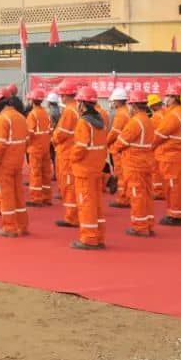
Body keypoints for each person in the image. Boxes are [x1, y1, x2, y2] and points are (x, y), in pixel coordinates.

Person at [112, 90, 156, 237]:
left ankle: (140, 226)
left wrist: (113, 149)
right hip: (145, 163)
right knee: (146, 194)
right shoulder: (148, 120)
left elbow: (121, 142)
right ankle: (148, 223)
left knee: (136, 195)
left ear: (134, 106)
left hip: (134, 164)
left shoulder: (135, 122)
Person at [70, 86, 109, 249]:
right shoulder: (100, 121)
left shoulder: (83, 122)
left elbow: (81, 147)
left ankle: (89, 238)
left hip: (84, 170)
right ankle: (98, 236)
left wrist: (71, 158)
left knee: (85, 204)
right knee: (96, 204)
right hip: (96, 169)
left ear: (82, 104)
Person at [151, 83, 181, 226]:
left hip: (171, 156)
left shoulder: (174, 115)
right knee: (178, 186)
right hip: (178, 155)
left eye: (168, 95)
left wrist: (150, 147)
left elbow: (160, 135)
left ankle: (174, 215)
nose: (165, 98)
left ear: (175, 98)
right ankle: (177, 212)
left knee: (173, 186)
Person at [0, 92, 30, 237]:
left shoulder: (2, 119)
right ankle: (22, 225)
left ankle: (9, 227)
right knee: (18, 194)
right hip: (17, 162)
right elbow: (26, 139)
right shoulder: (21, 117)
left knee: (5, 195)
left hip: (5, 164)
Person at [52, 80, 81, 228]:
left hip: (67, 152)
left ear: (64, 95)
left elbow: (61, 133)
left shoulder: (69, 111)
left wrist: (53, 139)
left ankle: (72, 217)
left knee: (69, 186)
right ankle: (75, 215)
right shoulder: (77, 108)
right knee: (73, 185)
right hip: (73, 151)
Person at [26, 87, 53, 206]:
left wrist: (25, 145)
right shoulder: (45, 113)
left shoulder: (32, 114)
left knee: (35, 173)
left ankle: (36, 198)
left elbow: (29, 133)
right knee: (46, 173)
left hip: (35, 148)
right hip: (45, 147)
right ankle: (47, 197)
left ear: (32, 100)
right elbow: (50, 130)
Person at [106, 87, 130, 205]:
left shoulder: (121, 114)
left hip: (119, 148)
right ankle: (126, 196)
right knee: (124, 173)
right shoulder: (127, 111)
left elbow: (114, 132)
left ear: (117, 101)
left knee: (121, 174)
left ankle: (123, 199)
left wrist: (105, 142)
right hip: (125, 147)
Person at [148, 93, 166, 200]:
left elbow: (153, 135)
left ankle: (158, 191)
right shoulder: (167, 113)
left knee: (156, 170)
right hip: (167, 147)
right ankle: (164, 190)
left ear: (153, 106)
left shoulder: (155, 117)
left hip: (158, 147)